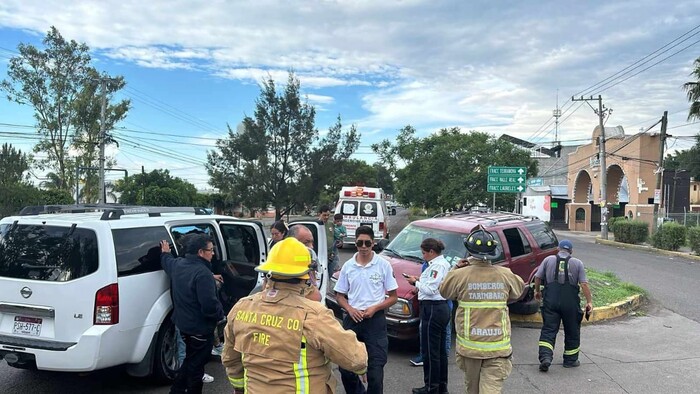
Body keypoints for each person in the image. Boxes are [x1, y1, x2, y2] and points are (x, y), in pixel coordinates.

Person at [221, 237, 368, 393]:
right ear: (306, 276)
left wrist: (239, 387)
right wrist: (362, 368)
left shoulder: (241, 308)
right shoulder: (313, 315)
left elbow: (230, 359)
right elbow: (356, 359)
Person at [438, 227, 525, 394]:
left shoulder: (459, 275)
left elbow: (444, 291)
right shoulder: (505, 274)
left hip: (470, 350)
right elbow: (518, 290)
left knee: (472, 390)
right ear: (493, 252)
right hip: (497, 349)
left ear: (469, 251)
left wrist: (456, 268)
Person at [334, 225, 399, 394]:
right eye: (359, 243)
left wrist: (375, 307)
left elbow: (393, 297)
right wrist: (349, 309)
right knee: (346, 367)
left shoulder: (383, 265)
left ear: (373, 243)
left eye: (367, 243)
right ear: (355, 243)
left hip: (375, 320)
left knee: (375, 373)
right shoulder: (348, 266)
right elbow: (339, 295)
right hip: (353, 319)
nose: (363, 247)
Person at [160, 234, 225, 394]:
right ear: (201, 252)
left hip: (183, 325)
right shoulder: (203, 274)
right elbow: (209, 306)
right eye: (211, 250)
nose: (213, 253)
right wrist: (221, 316)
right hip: (200, 330)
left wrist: (165, 253)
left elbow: (166, 262)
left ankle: (176, 391)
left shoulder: (178, 265)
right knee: (196, 367)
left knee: (190, 361)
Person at [534, 239, 593, 371]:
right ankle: (570, 360)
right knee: (572, 330)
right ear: (571, 251)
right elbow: (584, 284)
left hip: (551, 301)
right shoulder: (577, 263)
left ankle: (545, 358)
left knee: (549, 329)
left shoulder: (548, 260)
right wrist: (589, 302)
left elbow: (537, 277)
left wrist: (537, 291)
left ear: (558, 249)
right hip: (570, 303)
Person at [404, 238, 451, 394]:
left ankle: (431, 387)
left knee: (431, 352)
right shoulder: (442, 264)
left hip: (432, 309)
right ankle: (441, 386)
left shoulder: (437, 265)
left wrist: (414, 283)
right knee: (440, 351)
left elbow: (430, 290)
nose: (422, 256)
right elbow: (434, 284)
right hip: (440, 308)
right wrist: (420, 280)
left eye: (424, 253)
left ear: (431, 252)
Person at [317, 204, 336, 272]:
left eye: (328, 215)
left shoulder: (331, 224)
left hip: (330, 255)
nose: (326, 217)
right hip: (319, 255)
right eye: (324, 215)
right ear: (319, 214)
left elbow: (334, 237)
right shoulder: (316, 224)